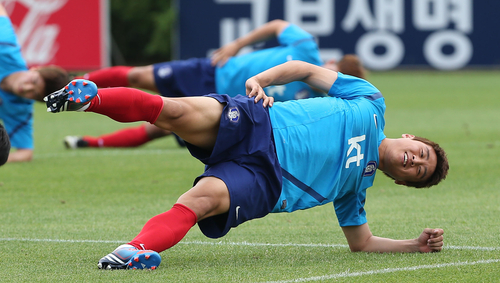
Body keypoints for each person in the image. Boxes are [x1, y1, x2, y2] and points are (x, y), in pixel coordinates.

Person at [44, 60, 448, 270]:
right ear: (412, 138)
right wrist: (262, 79)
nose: (414, 163)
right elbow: (306, 71)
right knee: (175, 112)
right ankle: (88, 98)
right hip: (261, 121)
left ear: (400, 181)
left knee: (201, 200)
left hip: (264, 181)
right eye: (422, 155)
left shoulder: (355, 190)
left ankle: (133, 251)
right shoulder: (370, 102)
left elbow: (361, 243)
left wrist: (414, 245)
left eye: (417, 173)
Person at [63, 19, 366, 149]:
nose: (327, 72)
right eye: (332, 67)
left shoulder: (312, 100)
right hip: (213, 72)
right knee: (138, 76)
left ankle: (86, 142)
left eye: (334, 76)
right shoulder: (305, 49)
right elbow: (276, 26)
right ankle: (72, 85)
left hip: (221, 105)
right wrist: (237, 44)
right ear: (331, 63)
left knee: (157, 126)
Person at [0, 3, 70, 162]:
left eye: (34, 93)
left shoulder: (20, 109)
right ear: (35, 69)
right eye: (33, 81)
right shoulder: (5, 45)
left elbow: (26, 153)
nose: (26, 88)